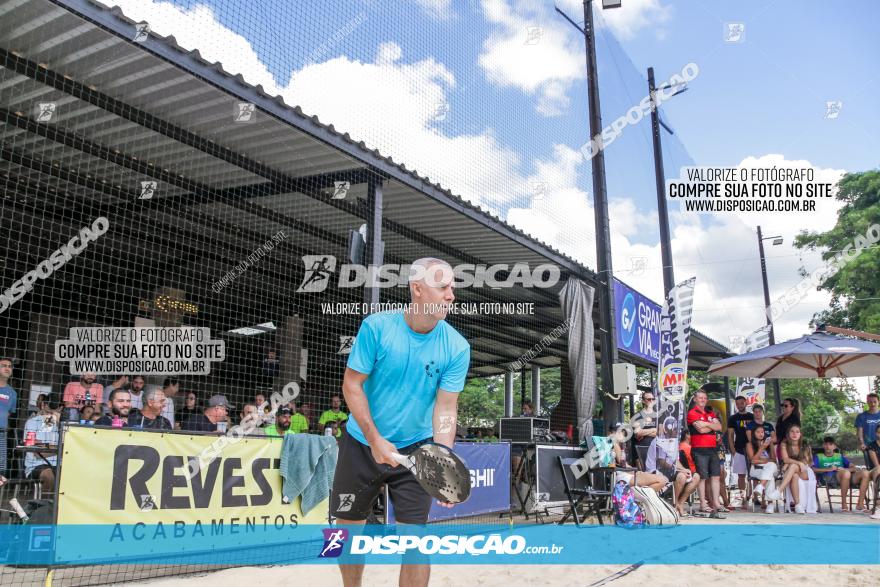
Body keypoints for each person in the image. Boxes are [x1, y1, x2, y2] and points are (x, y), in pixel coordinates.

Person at [332, 257, 470, 587]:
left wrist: (441, 461)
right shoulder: (376, 327)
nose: (452, 295)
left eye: (453, 286)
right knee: (343, 532)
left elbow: (446, 409)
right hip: (362, 443)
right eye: (444, 287)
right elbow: (351, 385)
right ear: (417, 289)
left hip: (417, 448)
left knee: (416, 542)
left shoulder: (457, 347)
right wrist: (375, 439)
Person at [686, 387, 724, 517]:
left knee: (716, 476)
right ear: (695, 399)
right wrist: (711, 425)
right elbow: (700, 430)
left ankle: (716, 504)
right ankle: (703, 504)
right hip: (699, 449)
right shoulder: (692, 412)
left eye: (705, 398)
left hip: (713, 448)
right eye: (700, 398)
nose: (703, 400)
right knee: (702, 477)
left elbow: (719, 427)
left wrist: (705, 424)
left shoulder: (710, 412)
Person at [812, 435, 870, 513]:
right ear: (823, 445)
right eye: (826, 444)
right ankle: (844, 504)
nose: (828, 446)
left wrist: (845, 469)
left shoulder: (839, 456)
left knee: (866, 473)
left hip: (846, 476)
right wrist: (827, 469)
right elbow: (812, 469)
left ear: (834, 446)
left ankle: (860, 503)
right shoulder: (818, 456)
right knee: (846, 473)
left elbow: (853, 467)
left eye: (830, 444)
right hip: (828, 477)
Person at [646, 436, 701, 517]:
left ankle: (680, 503)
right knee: (681, 476)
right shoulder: (659, 440)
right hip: (656, 470)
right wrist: (681, 471)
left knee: (696, 477)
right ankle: (674, 505)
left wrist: (684, 469)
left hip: (669, 470)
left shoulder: (673, 440)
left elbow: (675, 460)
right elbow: (662, 462)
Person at [22, 395, 59, 492]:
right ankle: (44, 504)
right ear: (43, 405)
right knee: (48, 474)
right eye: (49, 406)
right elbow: (38, 452)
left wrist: (58, 423)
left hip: (58, 464)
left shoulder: (57, 424)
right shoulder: (32, 423)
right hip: (36, 465)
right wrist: (59, 449)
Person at [778, 424, 817, 514]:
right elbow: (785, 459)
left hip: (805, 471)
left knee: (793, 466)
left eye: (797, 432)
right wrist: (797, 462)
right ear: (788, 433)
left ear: (800, 434)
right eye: (792, 431)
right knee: (794, 475)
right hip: (793, 471)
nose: (794, 434)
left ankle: (779, 491)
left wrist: (795, 463)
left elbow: (805, 462)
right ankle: (798, 505)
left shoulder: (805, 445)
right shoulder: (784, 444)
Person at [727, 394, 755, 508]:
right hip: (738, 449)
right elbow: (730, 435)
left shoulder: (752, 416)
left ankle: (753, 497)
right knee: (741, 476)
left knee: (753, 474)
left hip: (752, 449)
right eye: (737, 404)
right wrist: (733, 450)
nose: (739, 405)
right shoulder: (733, 418)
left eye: (742, 403)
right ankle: (743, 498)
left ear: (746, 403)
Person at [745, 424, 778, 513]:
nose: (761, 434)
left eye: (762, 432)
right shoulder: (749, 444)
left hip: (769, 467)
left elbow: (774, 460)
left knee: (771, 466)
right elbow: (753, 461)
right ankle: (770, 504)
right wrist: (762, 448)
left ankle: (761, 486)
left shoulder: (769, 443)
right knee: (769, 476)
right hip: (756, 469)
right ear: (753, 433)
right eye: (758, 432)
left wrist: (762, 459)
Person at [856, 393, 880, 477]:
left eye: (874, 401)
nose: (872, 404)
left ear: (878, 402)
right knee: (875, 468)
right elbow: (859, 432)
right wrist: (862, 443)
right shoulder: (862, 416)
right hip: (869, 447)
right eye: (870, 402)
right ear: (867, 402)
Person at [634, 391, 658, 464]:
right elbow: (638, 433)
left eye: (652, 399)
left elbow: (660, 433)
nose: (651, 401)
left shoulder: (658, 415)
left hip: (656, 450)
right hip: (642, 451)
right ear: (643, 401)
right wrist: (653, 429)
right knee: (644, 474)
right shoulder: (638, 416)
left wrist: (644, 432)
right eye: (649, 399)